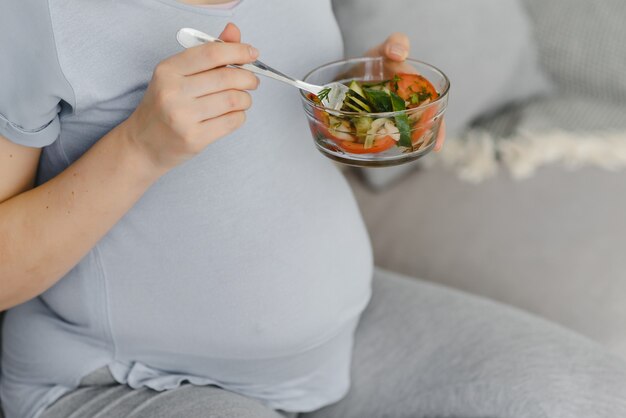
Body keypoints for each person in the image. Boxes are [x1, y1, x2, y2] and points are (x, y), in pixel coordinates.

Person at [1, 1, 626, 417]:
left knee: (588, 395)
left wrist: (360, 110)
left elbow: (263, 160)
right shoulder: (32, 17)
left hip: (339, 335)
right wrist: (138, 148)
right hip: (123, 377)